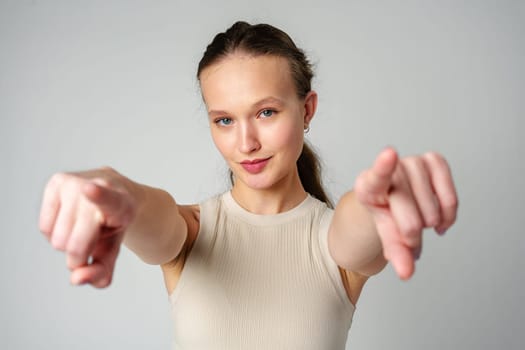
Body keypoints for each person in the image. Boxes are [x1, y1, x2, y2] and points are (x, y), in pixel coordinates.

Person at [39, 21, 458, 349]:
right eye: (224, 120)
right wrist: (116, 192)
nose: (245, 143)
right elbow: (153, 215)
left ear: (306, 109)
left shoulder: (333, 242)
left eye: (266, 113)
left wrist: (379, 200)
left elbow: (357, 223)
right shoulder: (192, 231)